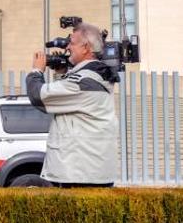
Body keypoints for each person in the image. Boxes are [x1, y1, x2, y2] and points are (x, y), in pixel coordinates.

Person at [26, 22, 119, 187]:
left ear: (85, 47)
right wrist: (63, 73)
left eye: (72, 43)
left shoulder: (81, 82)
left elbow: (38, 96)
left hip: (79, 174)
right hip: (93, 172)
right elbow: (71, 99)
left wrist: (36, 71)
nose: (67, 46)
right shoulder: (96, 76)